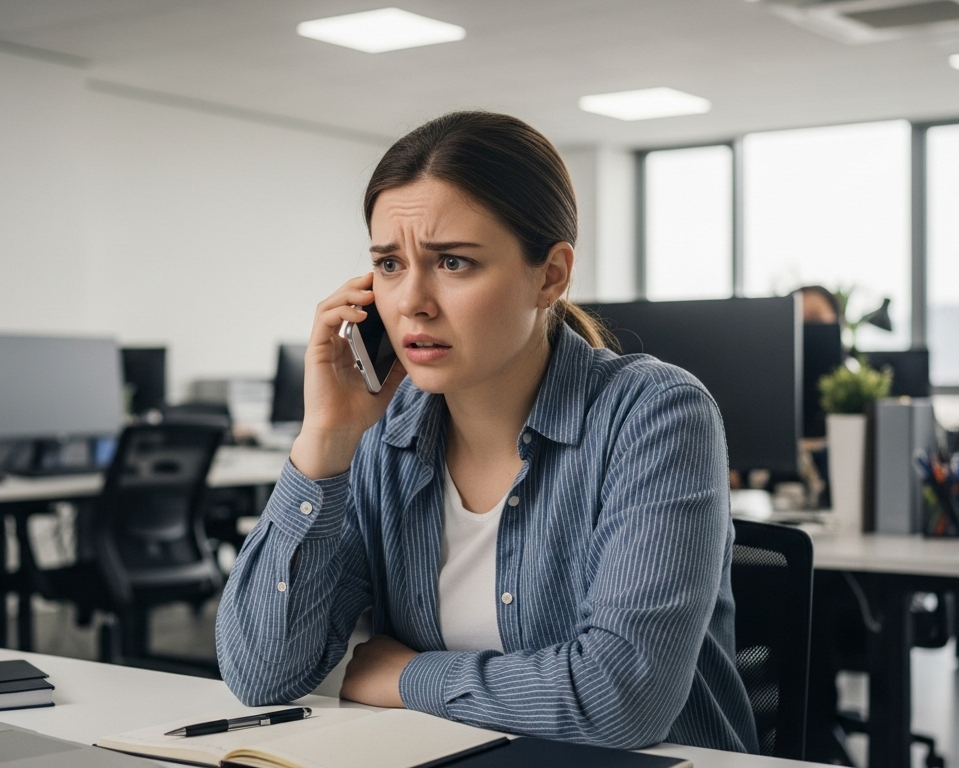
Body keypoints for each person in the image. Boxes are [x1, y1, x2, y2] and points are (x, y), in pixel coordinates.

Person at [216, 112, 758, 752]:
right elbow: (260, 672)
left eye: (453, 262)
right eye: (389, 264)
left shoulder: (653, 414)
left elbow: (619, 701)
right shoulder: (383, 434)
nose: (412, 300)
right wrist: (324, 445)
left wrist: (408, 676)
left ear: (551, 275)